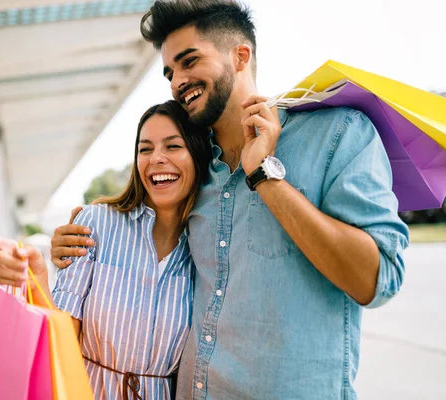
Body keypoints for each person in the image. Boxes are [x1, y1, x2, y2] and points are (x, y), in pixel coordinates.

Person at [50, 1, 410, 399]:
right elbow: (137, 242)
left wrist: (264, 176)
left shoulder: (338, 133)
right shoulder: (191, 166)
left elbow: (377, 280)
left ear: (241, 56)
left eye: (189, 62)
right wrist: (71, 245)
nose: (177, 81)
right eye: (170, 72)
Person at [0, 100, 212, 399]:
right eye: (145, 149)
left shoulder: (206, 248)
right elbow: (63, 334)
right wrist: (37, 279)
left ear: (198, 154)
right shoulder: (96, 223)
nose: (156, 158)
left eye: (173, 146)